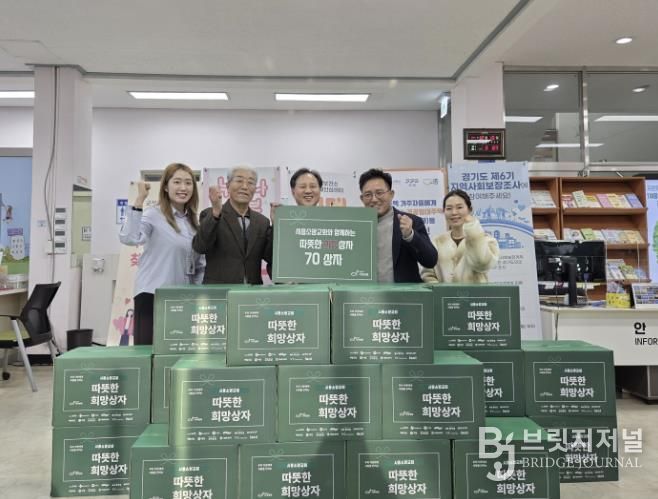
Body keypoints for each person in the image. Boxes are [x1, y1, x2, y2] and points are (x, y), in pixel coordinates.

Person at [119, 163, 205, 345]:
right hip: (153, 296)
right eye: (177, 182)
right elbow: (129, 238)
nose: (183, 188)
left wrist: (198, 295)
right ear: (166, 186)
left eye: (188, 183)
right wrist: (139, 200)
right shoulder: (153, 214)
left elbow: (199, 265)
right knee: (148, 352)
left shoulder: (194, 223)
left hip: (182, 298)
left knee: (176, 351)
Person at [193, 166, 272, 284]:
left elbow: (270, 256)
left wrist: (277, 225)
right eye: (239, 180)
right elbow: (200, 246)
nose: (244, 186)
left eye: (250, 182)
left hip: (252, 291)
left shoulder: (262, 221)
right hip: (219, 291)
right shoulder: (211, 214)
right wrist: (216, 212)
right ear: (227, 185)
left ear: (255, 189)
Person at [359, 168, 437, 282]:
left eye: (379, 193)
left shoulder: (411, 222)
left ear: (391, 194)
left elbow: (430, 260)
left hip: (402, 293)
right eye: (368, 195)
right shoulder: (356, 226)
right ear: (362, 198)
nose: (374, 199)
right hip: (364, 293)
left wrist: (410, 235)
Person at [421, 189, 499, 283]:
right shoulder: (437, 242)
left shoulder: (485, 240)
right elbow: (427, 274)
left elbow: (481, 264)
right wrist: (439, 290)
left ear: (470, 209)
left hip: (475, 293)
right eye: (449, 208)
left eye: (459, 207)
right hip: (443, 293)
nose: (454, 212)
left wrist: (472, 229)